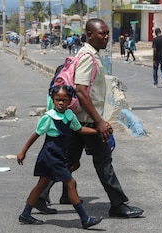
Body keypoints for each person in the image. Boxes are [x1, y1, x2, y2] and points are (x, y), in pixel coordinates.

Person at [36, 18, 144, 219]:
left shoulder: (89, 55)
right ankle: (118, 204)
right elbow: (81, 91)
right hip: (87, 119)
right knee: (103, 162)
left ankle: (40, 196)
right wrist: (100, 121)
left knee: (68, 161)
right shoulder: (88, 57)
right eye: (101, 33)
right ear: (90, 35)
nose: (105, 37)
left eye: (107, 33)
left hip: (79, 118)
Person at [17, 85, 103, 229]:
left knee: (41, 185)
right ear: (53, 100)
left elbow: (80, 129)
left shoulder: (69, 116)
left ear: (70, 101)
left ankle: (25, 214)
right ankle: (85, 218)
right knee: (70, 183)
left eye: (64, 100)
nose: (60, 103)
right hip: (50, 157)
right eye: (57, 100)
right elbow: (36, 135)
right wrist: (23, 152)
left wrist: (97, 131)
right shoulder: (49, 117)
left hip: (58, 156)